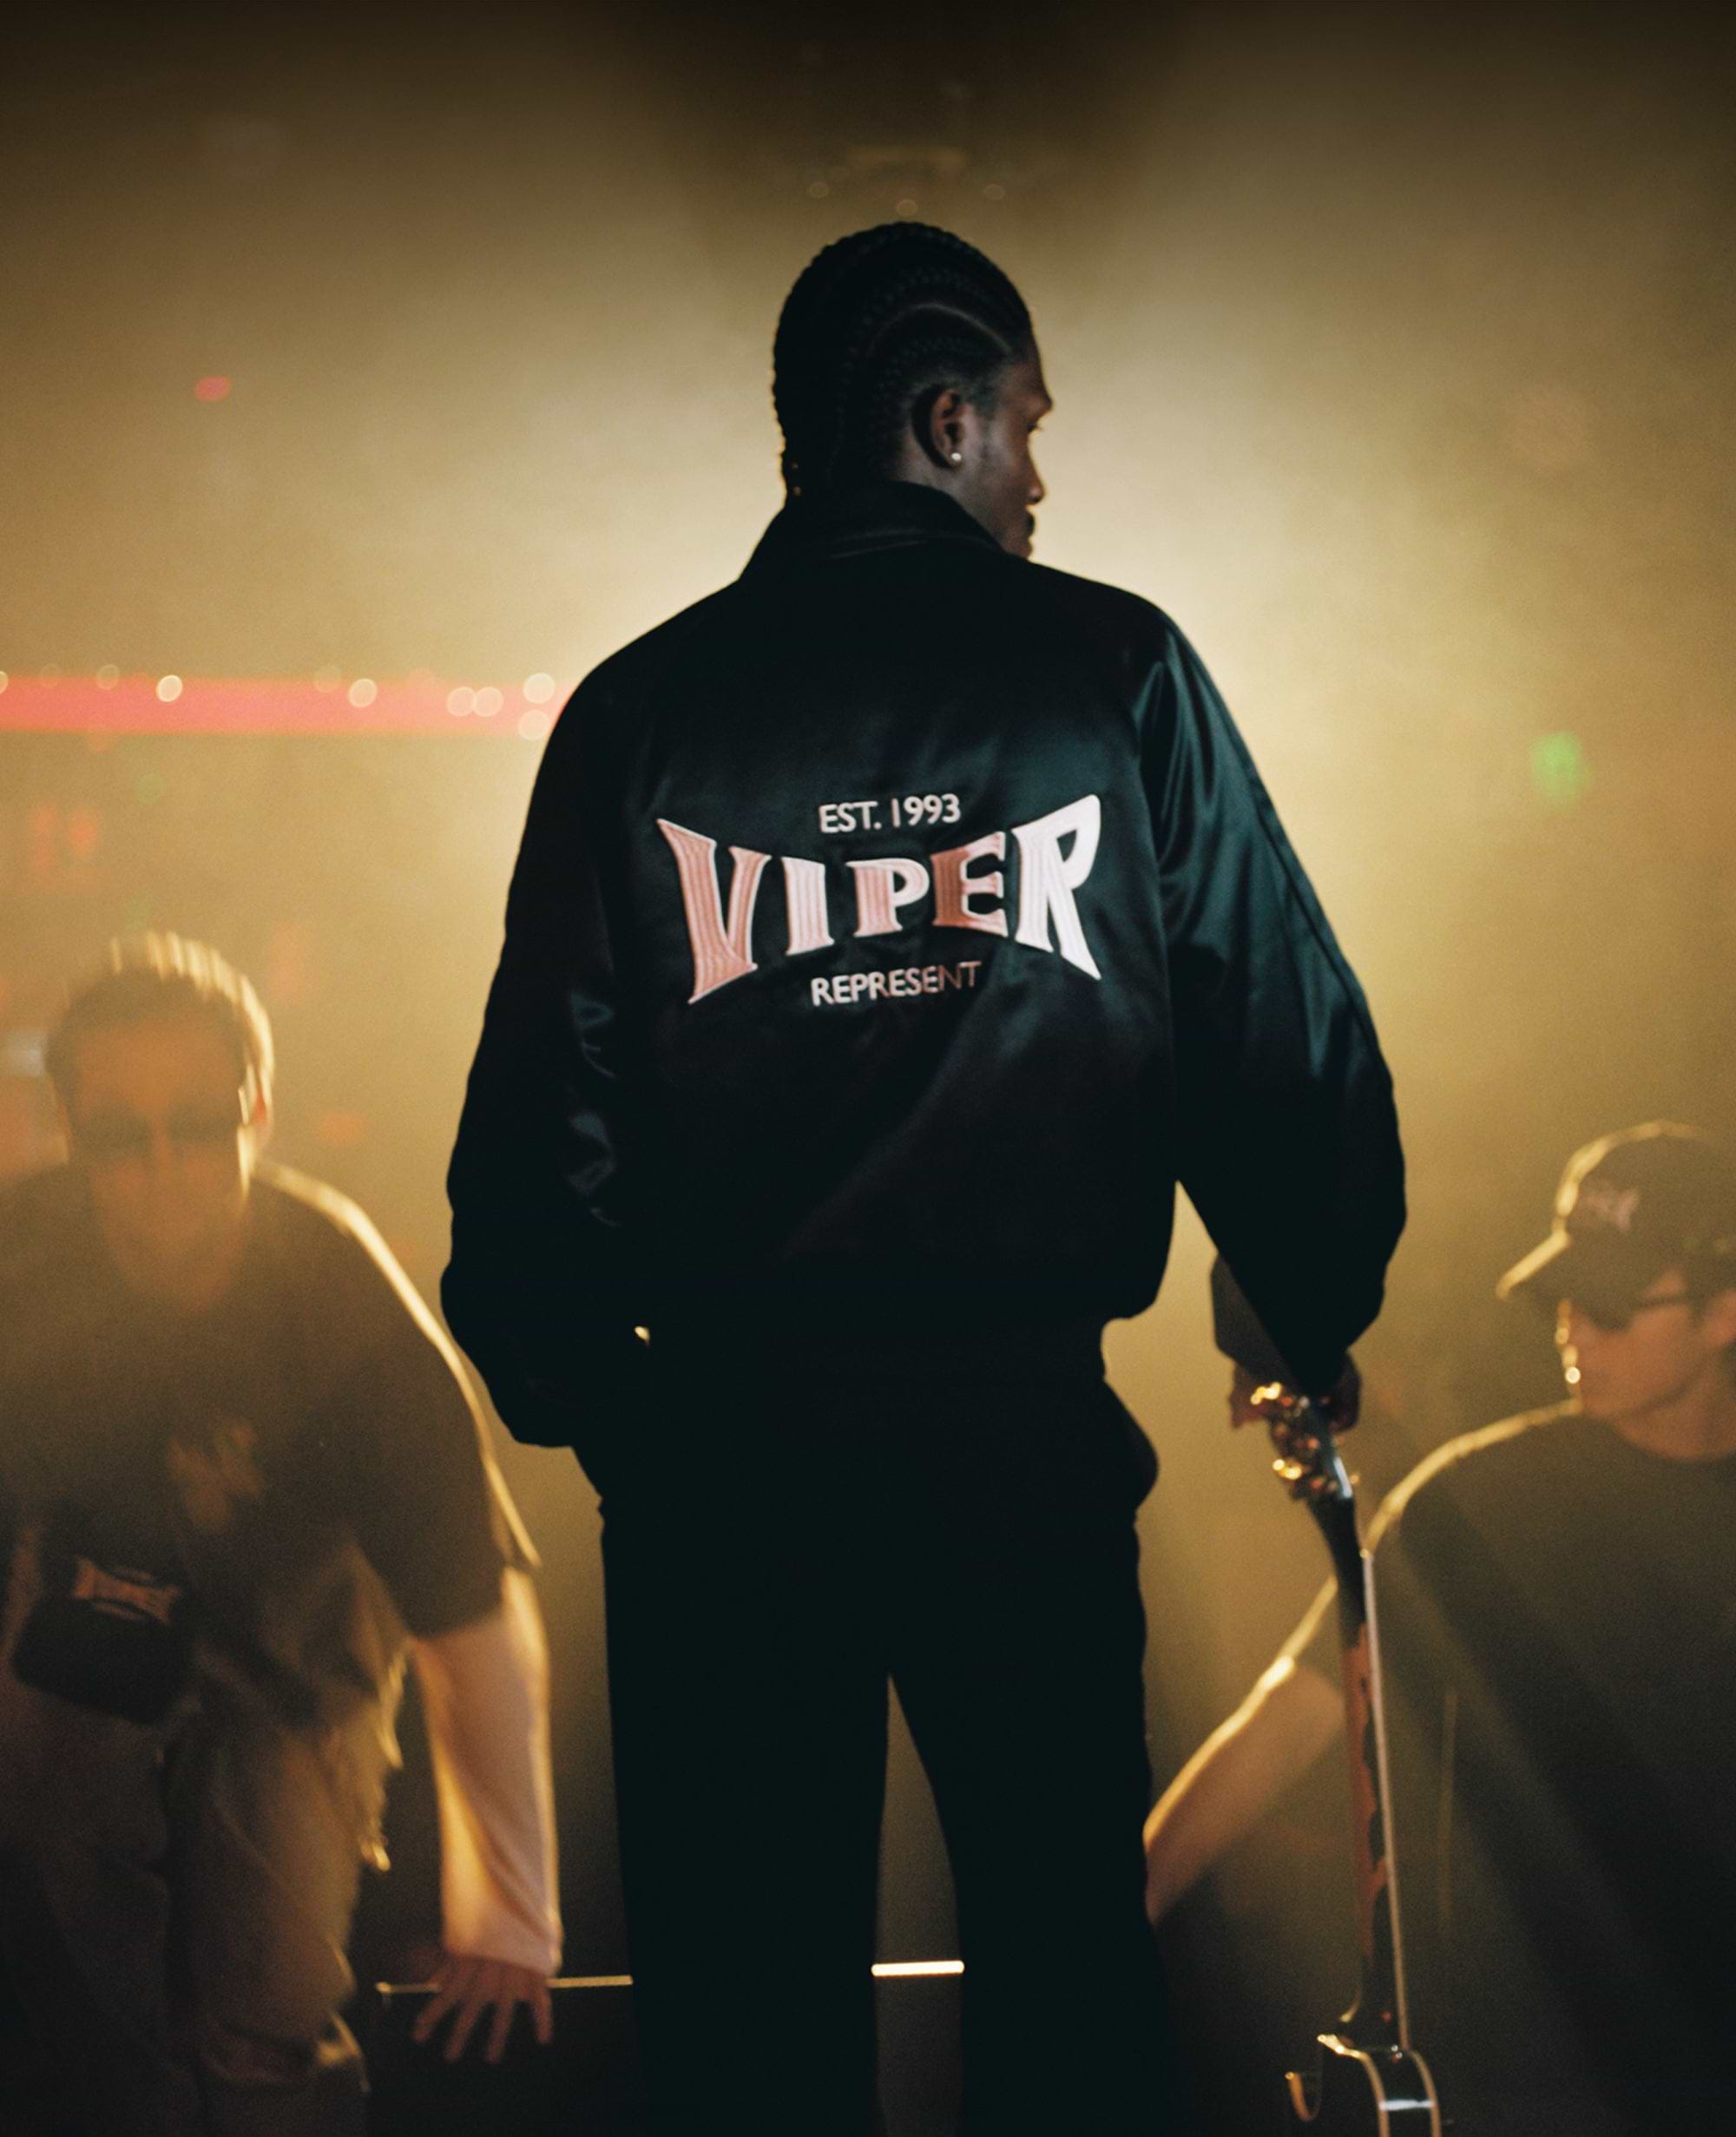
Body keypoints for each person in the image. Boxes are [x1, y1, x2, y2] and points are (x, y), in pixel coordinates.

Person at [444, 220, 1404, 2135]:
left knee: (743, 2034)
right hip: (1019, 1445)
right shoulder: (1115, 670)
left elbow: (534, 1157)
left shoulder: (640, 713)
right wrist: (1291, 1305)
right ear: (943, 417)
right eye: (1026, 427)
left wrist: (630, 1422)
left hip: (722, 1459)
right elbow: (1281, 1044)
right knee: (1068, 1985)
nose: (1039, 477)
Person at [0, 935, 563, 2137]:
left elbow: (468, 1610)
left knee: (270, 1997)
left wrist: (512, 1912)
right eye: (121, 1133)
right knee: (70, 1921)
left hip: (302, 1651)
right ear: (70, 1130)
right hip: (84, 1624)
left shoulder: (344, 1298)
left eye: (200, 1122)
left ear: (258, 1109)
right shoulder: (20, 1264)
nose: (164, 1165)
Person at [1144, 1121, 1736, 2135]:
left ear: (1722, 1311)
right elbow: (1292, 1716)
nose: (1573, 1331)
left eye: (1607, 1306)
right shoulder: (1478, 1502)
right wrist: (1098, 1935)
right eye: (1561, 1297)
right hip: (1532, 2075)